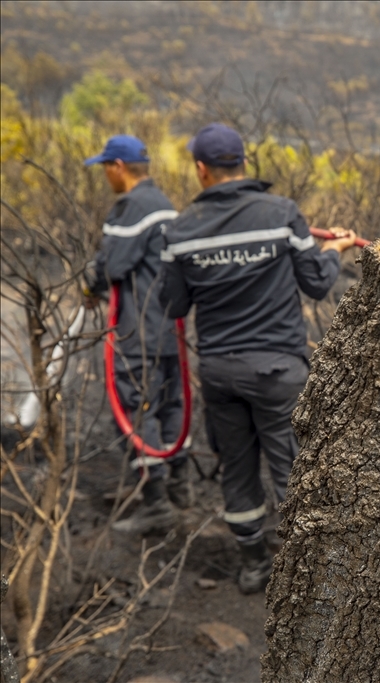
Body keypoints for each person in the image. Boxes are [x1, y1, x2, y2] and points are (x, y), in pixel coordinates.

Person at [159, 123, 357, 594]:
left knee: (237, 466)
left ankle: (253, 563)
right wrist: (333, 250)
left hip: (221, 373)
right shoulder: (281, 213)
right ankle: (301, 575)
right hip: (277, 372)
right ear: (244, 163)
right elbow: (315, 282)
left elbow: (173, 307)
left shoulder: (179, 230)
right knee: (291, 467)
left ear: (201, 169)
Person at [83, 135, 192, 534]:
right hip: (167, 329)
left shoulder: (131, 207)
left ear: (118, 166)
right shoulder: (164, 204)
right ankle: (182, 488)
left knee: (137, 408)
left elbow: (112, 266)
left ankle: (157, 503)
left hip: (137, 331)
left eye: (105, 168)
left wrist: (88, 288)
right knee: (168, 404)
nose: (105, 176)